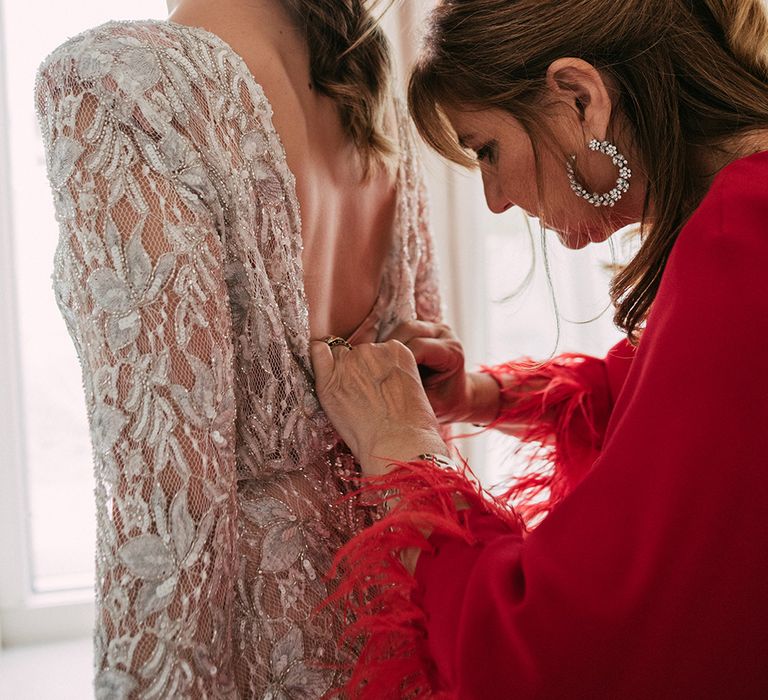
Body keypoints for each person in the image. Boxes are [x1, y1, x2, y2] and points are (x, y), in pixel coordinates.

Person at [310, 0, 768, 697]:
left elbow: (559, 650)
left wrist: (404, 451)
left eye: (486, 149)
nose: (493, 200)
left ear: (580, 99)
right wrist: (480, 398)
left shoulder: (742, 241)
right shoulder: (746, 211)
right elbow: (682, 416)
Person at [34, 0, 443, 696]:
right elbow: (418, 386)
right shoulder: (373, 101)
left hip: (250, 642)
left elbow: (168, 502)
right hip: (396, 618)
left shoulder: (125, 84)